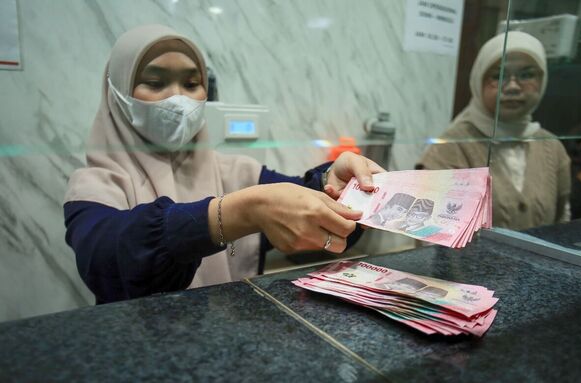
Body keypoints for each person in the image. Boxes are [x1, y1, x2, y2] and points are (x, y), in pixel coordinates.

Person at [64, 25, 385, 304]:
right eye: (155, 82)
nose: (178, 99)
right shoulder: (96, 185)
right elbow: (109, 259)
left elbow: (302, 204)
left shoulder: (237, 172)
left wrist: (336, 187)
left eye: (191, 84)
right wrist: (237, 213)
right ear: (117, 92)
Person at [417, 31, 571, 230]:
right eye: (498, 76)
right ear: (478, 81)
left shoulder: (552, 148)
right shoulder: (450, 147)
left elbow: (562, 225)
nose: (513, 87)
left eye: (527, 75)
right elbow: (428, 233)